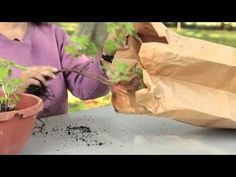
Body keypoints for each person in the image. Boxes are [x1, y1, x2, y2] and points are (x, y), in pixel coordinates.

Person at [0, 22, 114, 118]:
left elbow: (86, 87)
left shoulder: (54, 34)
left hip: (59, 137)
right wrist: (16, 92)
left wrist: (107, 55)